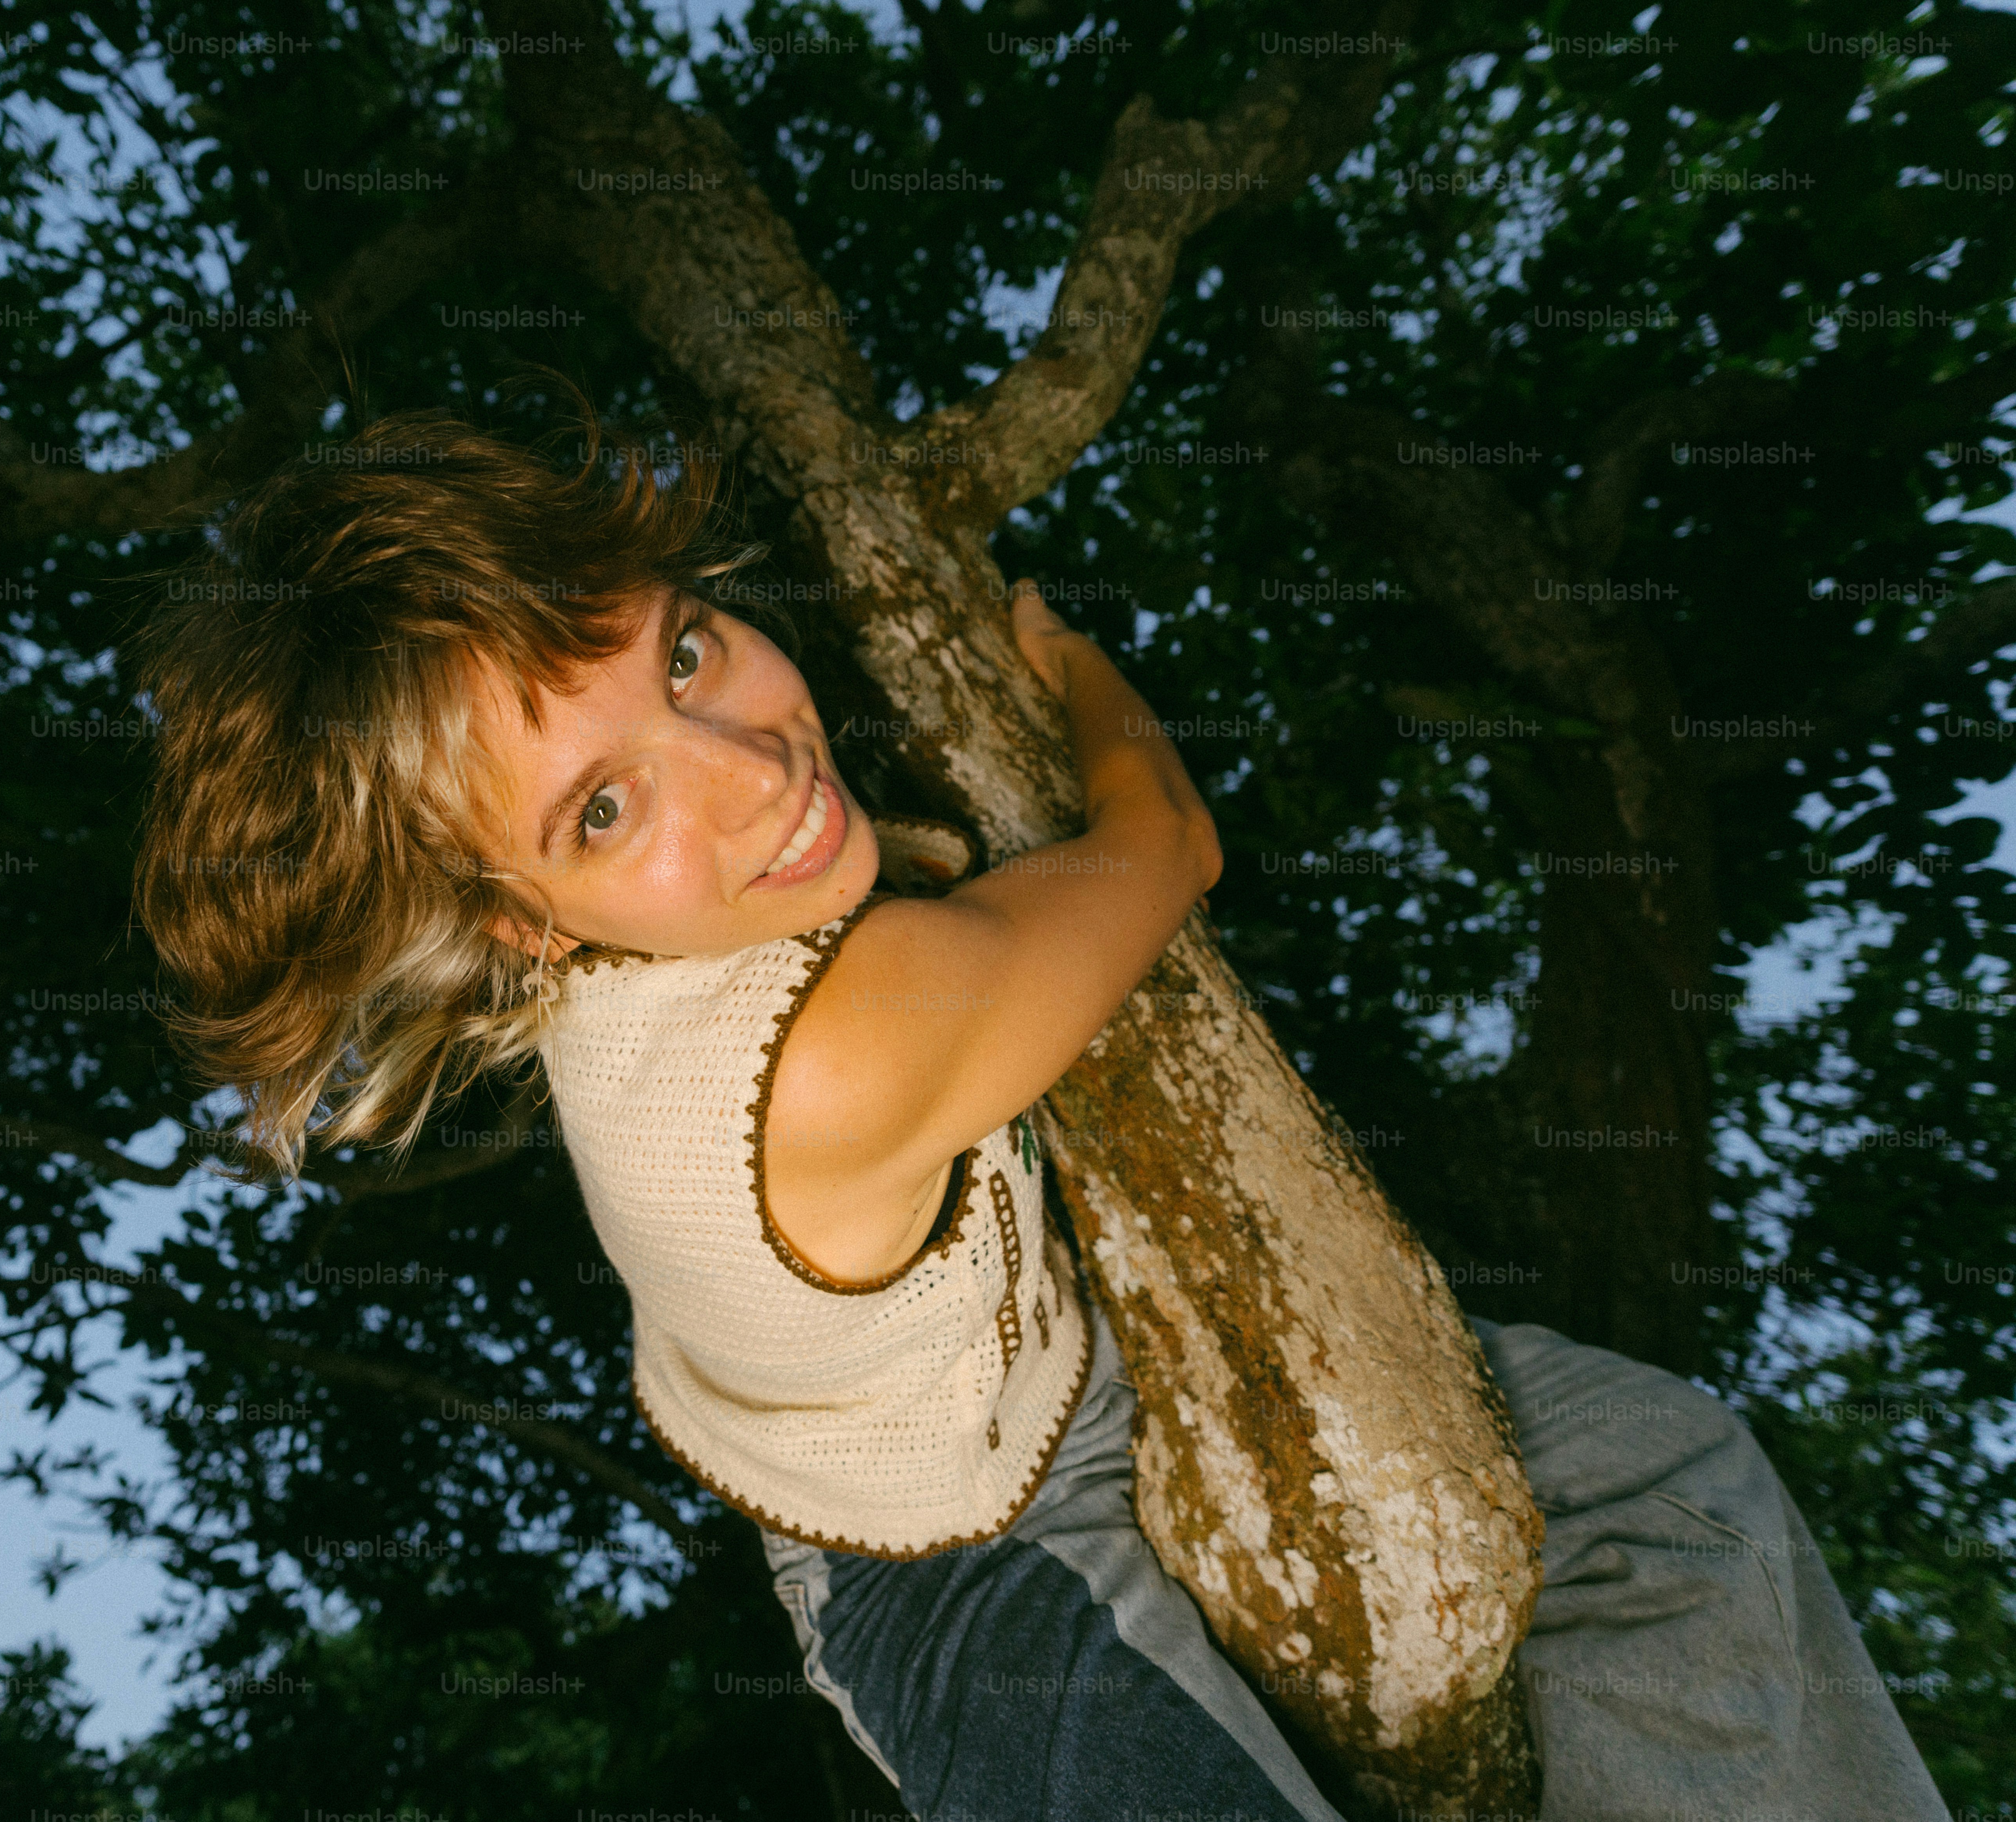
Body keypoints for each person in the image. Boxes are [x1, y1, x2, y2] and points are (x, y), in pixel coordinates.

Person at [129, 402, 1949, 1820]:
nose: (754, 766)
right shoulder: (847, 1046)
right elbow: (1161, 843)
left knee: (1677, 1493)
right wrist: (1073, 668)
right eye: (604, 809)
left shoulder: (691, 948)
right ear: (525, 925)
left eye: (686, 655)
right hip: (954, 1568)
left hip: (1085, 1366)